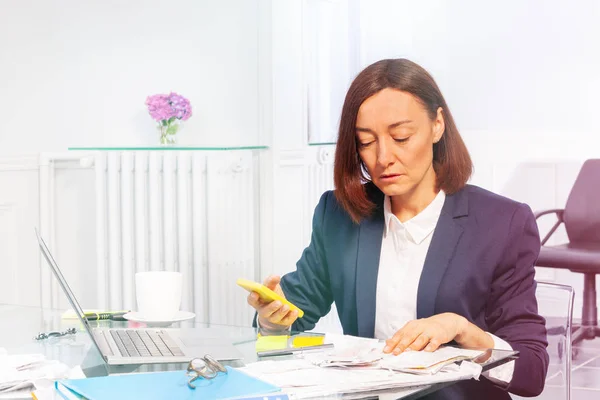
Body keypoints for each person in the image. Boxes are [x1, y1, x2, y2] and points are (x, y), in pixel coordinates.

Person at [247, 58, 548, 399]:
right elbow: (293, 317)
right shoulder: (339, 215)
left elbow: (532, 371)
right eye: (366, 142)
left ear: (437, 125)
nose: (382, 157)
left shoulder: (501, 223)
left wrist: (462, 330)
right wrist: (272, 319)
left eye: (401, 136)